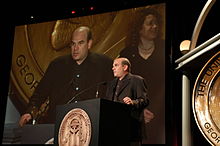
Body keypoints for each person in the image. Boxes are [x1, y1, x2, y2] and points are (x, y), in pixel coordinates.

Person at [19, 26, 114, 126]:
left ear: (89, 44)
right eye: (73, 44)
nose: (75, 48)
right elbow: (40, 93)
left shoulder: (104, 64)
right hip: (59, 124)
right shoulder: (57, 65)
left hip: (91, 124)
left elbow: (115, 92)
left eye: (80, 43)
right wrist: (29, 112)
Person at [119, 8, 165, 144]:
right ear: (139, 28)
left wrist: (155, 109)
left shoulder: (165, 48)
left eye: (156, 23)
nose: (155, 26)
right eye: (150, 23)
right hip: (135, 115)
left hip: (163, 113)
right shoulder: (127, 53)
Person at [105, 57, 149, 146]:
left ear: (125, 67)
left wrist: (133, 102)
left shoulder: (136, 80)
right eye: (113, 66)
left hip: (131, 127)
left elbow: (144, 100)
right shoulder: (111, 84)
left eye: (116, 65)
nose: (113, 68)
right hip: (113, 127)